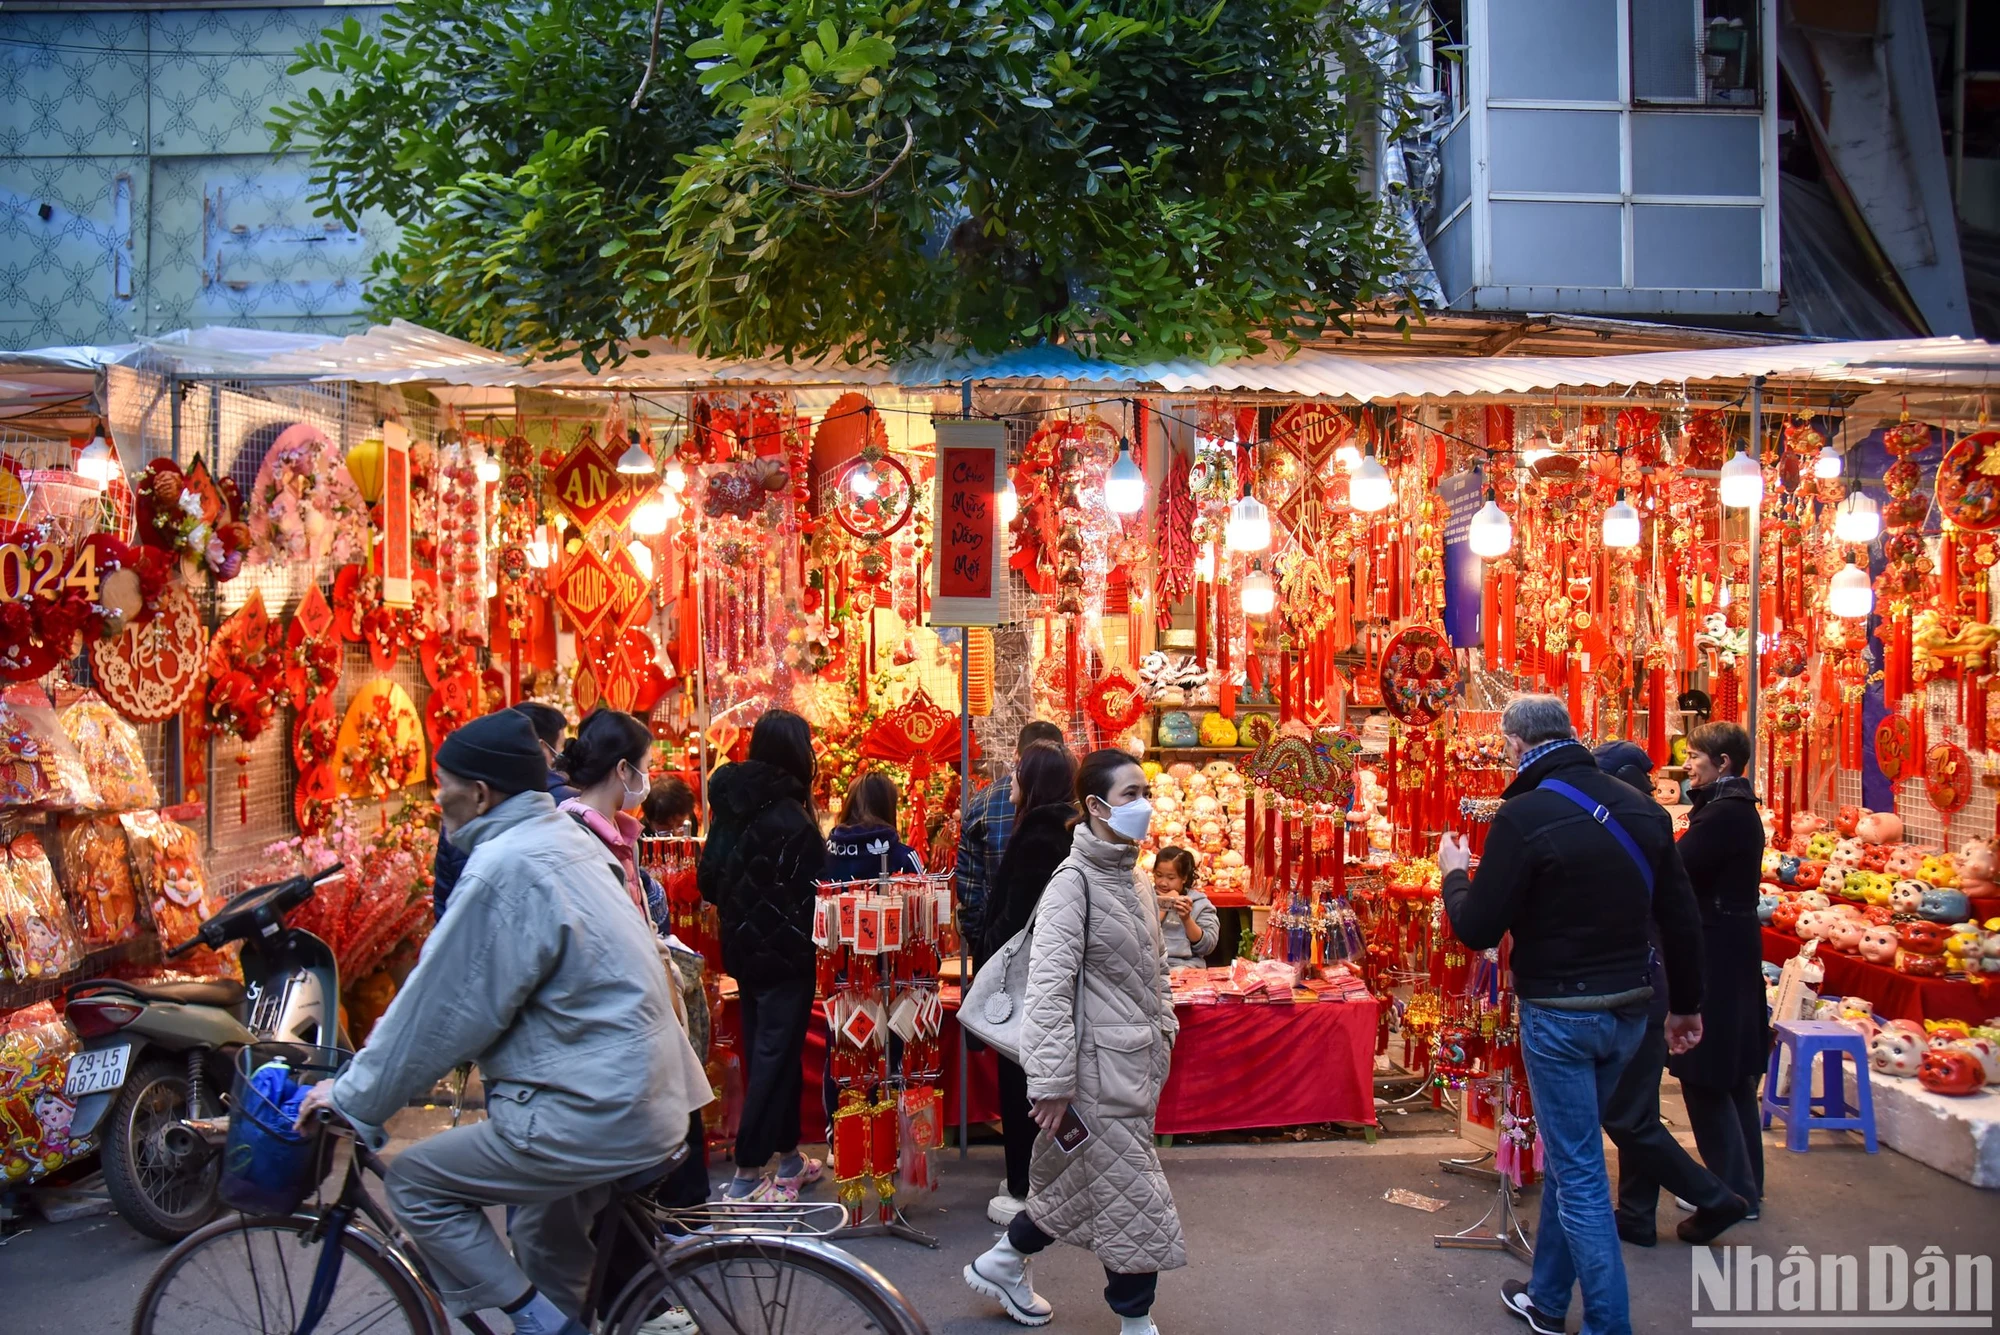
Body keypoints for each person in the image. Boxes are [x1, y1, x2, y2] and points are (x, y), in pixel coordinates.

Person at [297, 710, 710, 1335]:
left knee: (414, 1183)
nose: (437, 798)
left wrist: (354, 1099)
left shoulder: (506, 867)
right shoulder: (568, 840)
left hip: (592, 1106)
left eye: (445, 785)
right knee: (546, 1245)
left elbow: (434, 1012)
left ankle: (535, 1321)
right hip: (640, 1091)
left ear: (482, 794)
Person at [1437, 696, 1704, 1335]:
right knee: (1572, 1155)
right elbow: (1680, 917)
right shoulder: (1643, 808)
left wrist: (1454, 875)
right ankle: (1548, 1300)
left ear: (1515, 744)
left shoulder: (1523, 816)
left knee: (1581, 1172)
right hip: (1631, 1009)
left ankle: (1609, 1324)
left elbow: (1477, 927)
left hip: (1560, 1013)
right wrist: (1687, 1005)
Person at [965, 748, 1184, 1335]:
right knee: (1133, 1191)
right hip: (1092, 1072)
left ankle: (1004, 1261)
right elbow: (1048, 989)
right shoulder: (1073, 881)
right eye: (1130, 795)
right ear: (1094, 806)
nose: (1145, 804)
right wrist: (1054, 1080)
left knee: (1077, 1180)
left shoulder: (1135, 878)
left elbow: (1156, 969)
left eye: (1146, 792)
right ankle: (1136, 1321)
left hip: (1133, 1063)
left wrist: (1165, 1029)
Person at [1590, 740, 1750, 1248]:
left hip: (1642, 984)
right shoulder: (1649, 825)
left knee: (1625, 1114)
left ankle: (1716, 1196)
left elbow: (1676, 921)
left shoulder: (1630, 830)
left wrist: (1684, 1003)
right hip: (1652, 982)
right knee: (1636, 1108)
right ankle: (1636, 1214)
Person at [699, 708, 827, 1202]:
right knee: (775, 1056)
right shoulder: (792, 818)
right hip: (787, 958)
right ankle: (748, 1174)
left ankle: (789, 1157)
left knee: (771, 1053)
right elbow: (818, 890)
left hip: (744, 952)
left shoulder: (732, 808)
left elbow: (709, 880)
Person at [971, 740, 1078, 1226]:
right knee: (1040, 1083)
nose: (1008, 784)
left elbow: (1018, 917)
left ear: (1033, 781)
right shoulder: (1063, 830)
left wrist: (988, 952)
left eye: (1016, 775)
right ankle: (1044, 1178)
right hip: (1050, 981)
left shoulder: (1039, 838)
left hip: (1028, 983)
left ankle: (1024, 1187)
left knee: (1022, 1084)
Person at [1671, 721, 1770, 1232]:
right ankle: (1747, 1184)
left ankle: (1731, 1190)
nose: (1687, 765)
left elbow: (1677, 868)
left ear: (1722, 763)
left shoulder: (1725, 817)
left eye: (1694, 756)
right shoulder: (1735, 811)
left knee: (1707, 1069)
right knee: (1732, 1072)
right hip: (1734, 946)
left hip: (1717, 949)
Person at [957, 719, 1068, 947]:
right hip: (1057, 941)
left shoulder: (983, 803)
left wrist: (984, 944)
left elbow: (970, 889)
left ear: (1017, 755)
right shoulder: (1075, 808)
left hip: (1007, 944)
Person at [555, 709, 656, 921]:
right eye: (647, 766)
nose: (649, 777)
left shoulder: (621, 832)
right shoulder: (574, 840)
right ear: (623, 769)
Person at [822, 771, 925, 882]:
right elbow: (925, 894)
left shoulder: (823, 855)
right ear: (888, 807)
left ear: (850, 804)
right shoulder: (904, 857)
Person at [1152, 847, 1220, 970]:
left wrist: (1187, 919)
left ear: (1183, 878)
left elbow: (1207, 946)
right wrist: (1164, 905)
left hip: (1185, 966)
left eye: (1171, 878)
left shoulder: (1199, 903)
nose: (1163, 882)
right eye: (1159, 875)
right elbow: (1138, 937)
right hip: (1150, 965)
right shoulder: (1144, 896)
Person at [512, 702, 579, 802]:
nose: (563, 752)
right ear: (541, 747)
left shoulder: (494, 793)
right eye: (561, 745)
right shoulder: (569, 800)